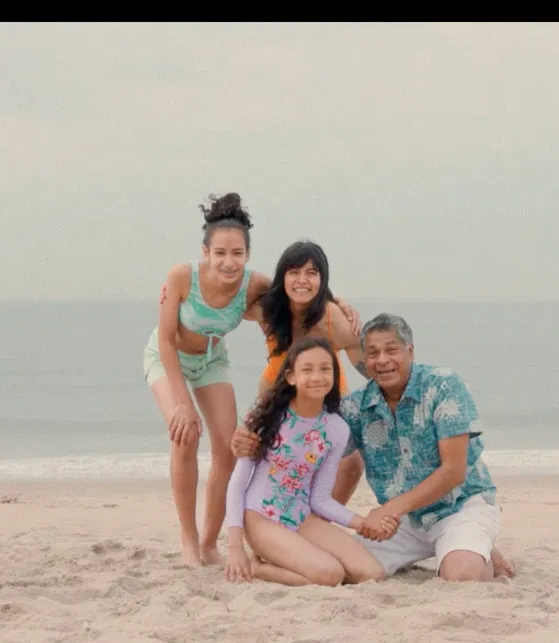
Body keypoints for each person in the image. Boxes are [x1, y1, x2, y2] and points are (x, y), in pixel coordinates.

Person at [144, 193, 360, 568]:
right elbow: (165, 340)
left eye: (237, 253)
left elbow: (298, 289)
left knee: (229, 448)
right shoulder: (181, 277)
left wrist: (337, 301)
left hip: (212, 361)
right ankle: (189, 539)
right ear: (205, 252)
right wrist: (182, 404)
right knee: (185, 433)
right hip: (168, 359)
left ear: (247, 254)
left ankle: (210, 543)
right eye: (220, 253)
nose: (229, 262)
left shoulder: (253, 284)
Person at [231, 313, 515, 582]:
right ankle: (468, 547)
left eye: (391, 350)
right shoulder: (354, 409)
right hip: (403, 522)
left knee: (461, 576)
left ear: (410, 351)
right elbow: (304, 445)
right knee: (353, 572)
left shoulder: (443, 386)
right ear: (364, 360)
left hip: (459, 507)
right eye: (373, 353)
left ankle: (474, 546)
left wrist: (389, 509)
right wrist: (243, 440)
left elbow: (454, 471)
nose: (382, 360)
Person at [224, 336, 393, 586]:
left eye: (325, 369)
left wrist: (362, 523)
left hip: (301, 516)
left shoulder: (336, 429)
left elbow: (320, 499)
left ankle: (292, 560)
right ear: (291, 377)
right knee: (331, 574)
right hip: (260, 517)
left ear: (334, 375)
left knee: (371, 573)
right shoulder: (266, 418)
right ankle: (258, 567)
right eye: (307, 369)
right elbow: (237, 485)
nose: (317, 377)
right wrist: (235, 546)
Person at [245, 239, 367, 506]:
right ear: (283, 277)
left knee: (351, 463)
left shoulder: (333, 318)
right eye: (294, 272)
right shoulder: (269, 310)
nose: (302, 280)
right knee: (264, 458)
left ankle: (320, 516)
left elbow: (371, 365)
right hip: (275, 394)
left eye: (312, 273)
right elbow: (226, 299)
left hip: (325, 397)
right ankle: (270, 513)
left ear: (322, 280)